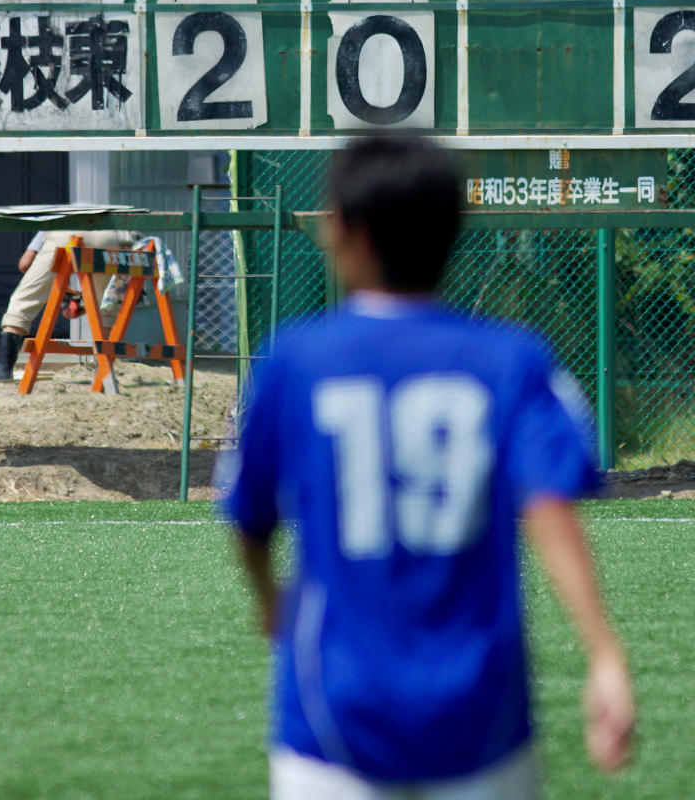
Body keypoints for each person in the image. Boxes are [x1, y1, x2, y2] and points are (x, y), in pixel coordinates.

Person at [222, 134, 634, 800]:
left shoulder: (295, 361)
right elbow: (550, 503)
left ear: (349, 232)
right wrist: (604, 654)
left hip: (332, 711)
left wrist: (273, 604)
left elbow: (249, 516)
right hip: (481, 712)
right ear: (453, 230)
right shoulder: (512, 359)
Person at [0, 227, 136, 382]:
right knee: (103, 306)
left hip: (66, 233)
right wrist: (81, 302)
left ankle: (2, 369)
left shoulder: (52, 219)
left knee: (24, 300)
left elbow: (24, 264)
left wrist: (60, 291)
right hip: (110, 236)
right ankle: (103, 373)